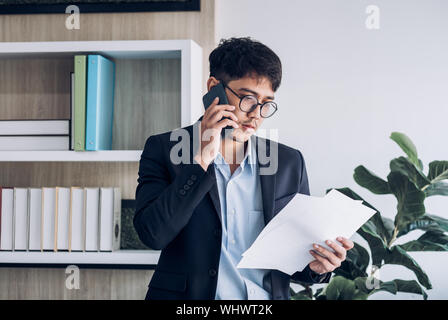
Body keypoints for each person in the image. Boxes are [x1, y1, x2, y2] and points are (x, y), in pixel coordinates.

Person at [134, 37, 354, 300]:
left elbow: (293, 258)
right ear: (214, 88)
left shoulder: (288, 162)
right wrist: (202, 160)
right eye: (248, 98)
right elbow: (153, 235)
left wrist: (317, 267)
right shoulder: (164, 149)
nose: (256, 114)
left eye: (266, 103)